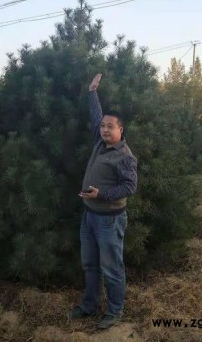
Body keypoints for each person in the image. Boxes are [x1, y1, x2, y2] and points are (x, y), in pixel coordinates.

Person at [70, 73, 138, 329]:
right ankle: (89, 305)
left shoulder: (124, 156)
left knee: (111, 268)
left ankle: (114, 311)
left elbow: (130, 186)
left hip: (109, 220)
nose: (105, 129)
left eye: (111, 127)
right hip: (89, 216)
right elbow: (96, 116)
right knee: (90, 265)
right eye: (103, 126)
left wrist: (102, 195)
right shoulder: (100, 143)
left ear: (121, 130)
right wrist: (92, 92)